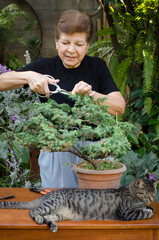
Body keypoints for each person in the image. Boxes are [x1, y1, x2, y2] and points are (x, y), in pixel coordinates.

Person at [0, 9, 125, 188]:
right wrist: (28, 76)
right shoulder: (44, 66)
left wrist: (92, 96)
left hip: (95, 151)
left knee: (98, 209)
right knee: (60, 209)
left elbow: (119, 106)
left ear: (88, 45)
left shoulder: (97, 67)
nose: (71, 50)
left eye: (79, 44)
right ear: (57, 42)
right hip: (56, 152)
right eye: (65, 42)